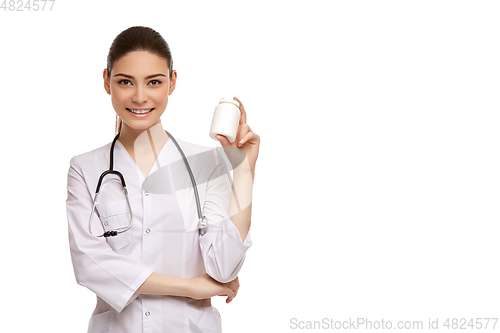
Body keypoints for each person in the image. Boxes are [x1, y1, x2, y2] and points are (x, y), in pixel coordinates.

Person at [66, 26, 260, 333]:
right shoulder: (86, 169)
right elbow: (90, 265)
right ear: (106, 82)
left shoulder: (208, 165)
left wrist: (244, 172)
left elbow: (223, 267)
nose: (140, 97)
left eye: (154, 82)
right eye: (125, 81)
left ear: (172, 82)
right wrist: (190, 288)